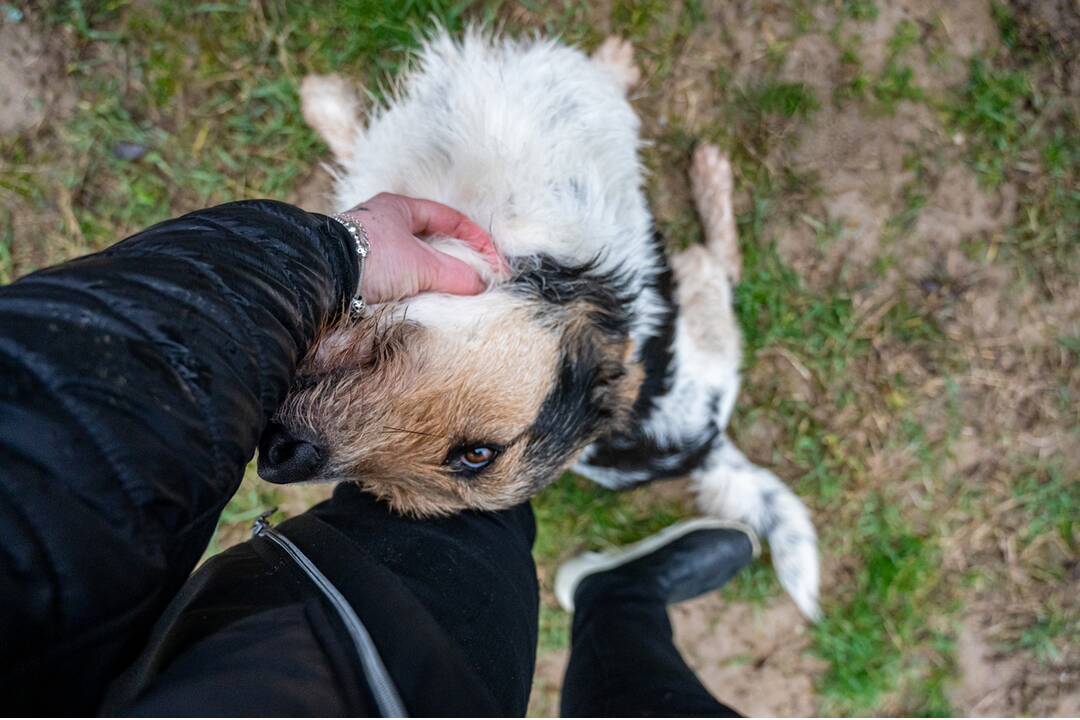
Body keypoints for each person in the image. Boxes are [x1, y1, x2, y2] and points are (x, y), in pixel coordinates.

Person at [0, 194, 756, 716]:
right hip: (410, 667)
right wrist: (325, 253)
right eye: (472, 450)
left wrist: (333, 252)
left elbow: (38, 442)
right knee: (479, 512)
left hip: (267, 645)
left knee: (459, 491)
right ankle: (617, 599)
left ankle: (602, 587)